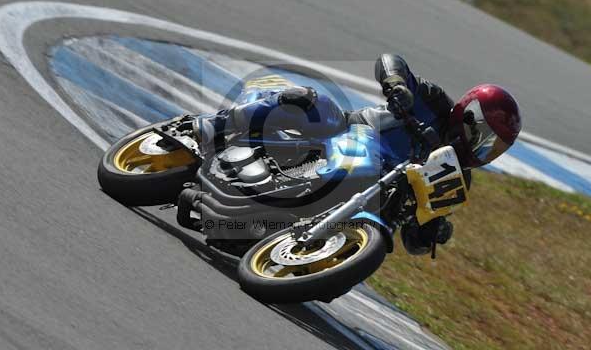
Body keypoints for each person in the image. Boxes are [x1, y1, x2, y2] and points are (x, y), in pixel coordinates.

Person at [193, 54, 522, 256]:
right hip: (348, 137)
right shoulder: (434, 102)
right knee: (309, 101)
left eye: (496, 147)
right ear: (470, 116)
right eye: (487, 137)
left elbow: (414, 240)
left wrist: (431, 231)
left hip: (373, 199)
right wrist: (397, 85)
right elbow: (391, 62)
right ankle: (214, 126)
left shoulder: (457, 176)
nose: (485, 149)